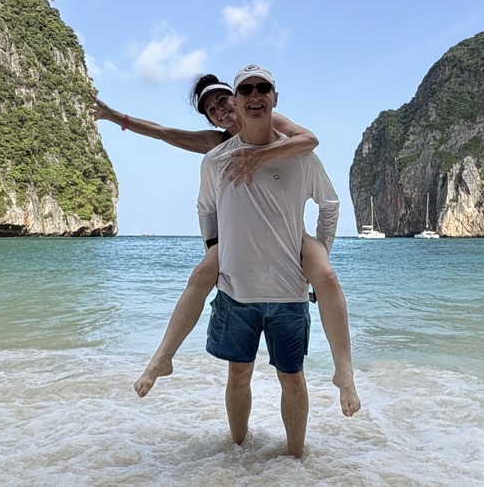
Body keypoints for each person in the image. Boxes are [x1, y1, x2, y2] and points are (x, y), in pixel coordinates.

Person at [92, 78, 361, 417]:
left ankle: (344, 372)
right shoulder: (217, 147)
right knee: (203, 271)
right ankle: (163, 358)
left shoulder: (269, 119)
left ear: (236, 99)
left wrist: (259, 156)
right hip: (238, 237)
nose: (220, 111)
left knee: (326, 275)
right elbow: (163, 133)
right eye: (211, 111)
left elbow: (309, 140)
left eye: (222, 101)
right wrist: (114, 116)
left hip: (288, 232)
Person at [198, 63, 338, 457]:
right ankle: (237, 454)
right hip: (235, 292)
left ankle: (296, 462)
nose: (255, 95)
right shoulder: (215, 161)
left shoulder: (300, 156)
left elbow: (329, 205)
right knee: (238, 373)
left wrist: (320, 253)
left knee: (292, 378)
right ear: (237, 105)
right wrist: (215, 251)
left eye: (263, 89)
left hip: (290, 292)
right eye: (247, 90)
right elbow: (206, 208)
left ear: (275, 100)